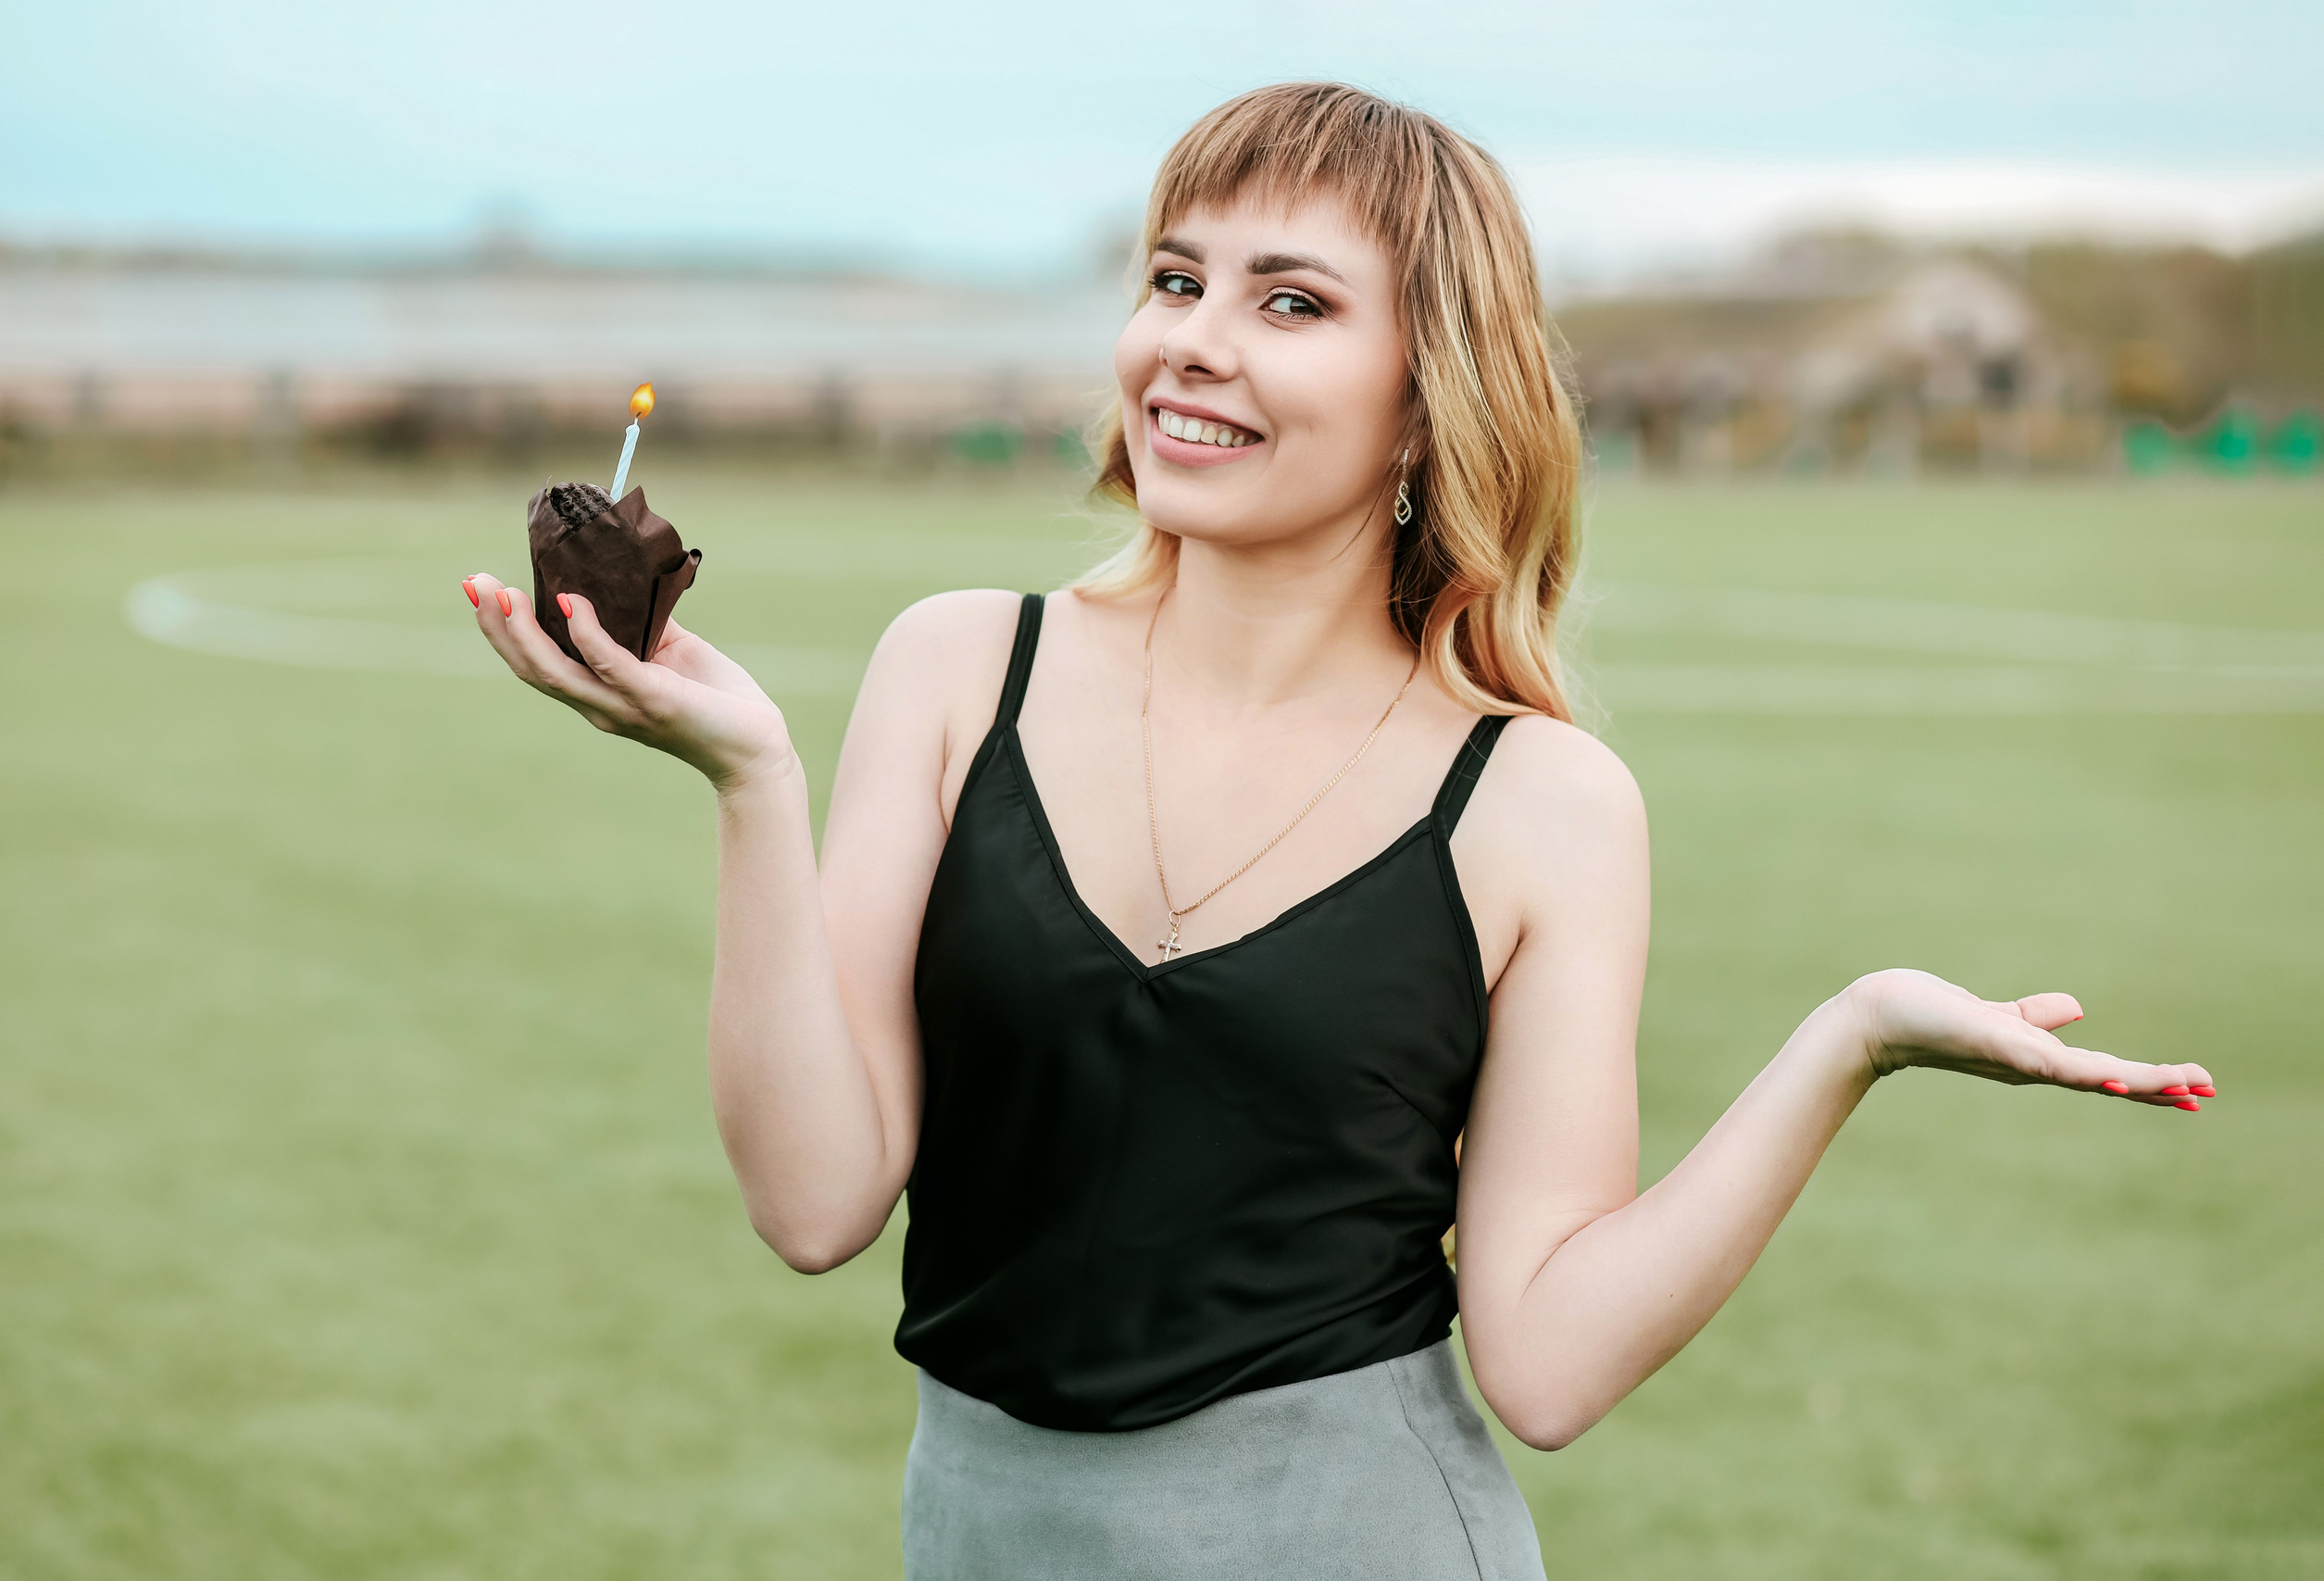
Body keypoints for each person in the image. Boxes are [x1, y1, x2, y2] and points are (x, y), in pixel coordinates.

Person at [462, 82, 2217, 1581]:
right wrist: (751, 783)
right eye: (1175, 279)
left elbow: (1546, 1366)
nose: (1193, 339)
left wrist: (1856, 1036)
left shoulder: (1540, 802)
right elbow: (812, 1202)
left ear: (1428, 393)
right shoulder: (957, 668)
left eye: (1290, 302)